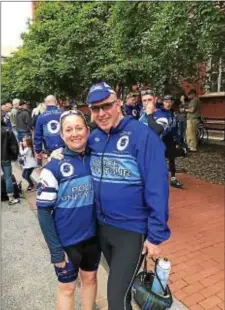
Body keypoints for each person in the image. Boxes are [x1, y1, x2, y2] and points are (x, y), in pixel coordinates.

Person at [51, 82, 170, 310]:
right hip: (102, 228)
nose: (101, 113)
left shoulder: (142, 136)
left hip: (131, 231)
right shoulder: (94, 138)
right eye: (95, 109)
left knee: (116, 298)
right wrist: (59, 153)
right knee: (119, 290)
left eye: (106, 106)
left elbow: (158, 188)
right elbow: (75, 151)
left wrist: (156, 235)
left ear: (118, 105)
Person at [36, 110, 101, 310]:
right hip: (67, 242)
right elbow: (44, 211)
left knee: (90, 279)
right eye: (69, 130)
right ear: (62, 135)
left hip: (92, 238)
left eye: (79, 128)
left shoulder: (96, 157)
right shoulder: (53, 167)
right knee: (67, 288)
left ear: (87, 131)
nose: (75, 134)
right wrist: (55, 251)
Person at [140, 92, 184, 188]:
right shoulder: (149, 112)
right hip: (159, 139)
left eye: (170, 102)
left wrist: (178, 138)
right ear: (163, 102)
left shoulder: (168, 114)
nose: (168, 104)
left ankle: (172, 178)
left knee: (171, 158)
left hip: (167, 138)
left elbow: (171, 127)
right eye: (166, 101)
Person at [34, 95, 65, 164]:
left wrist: (38, 150)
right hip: (65, 147)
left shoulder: (41, 117)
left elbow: (38, 136)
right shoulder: (63, 114)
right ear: (56, 102)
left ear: (45, 103)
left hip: (50, 149)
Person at [1, 116, 20, 205]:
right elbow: (13, 145)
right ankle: (10, 197)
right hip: (5, 157)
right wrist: (14, 156)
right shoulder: (7, 130)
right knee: (7, 177)